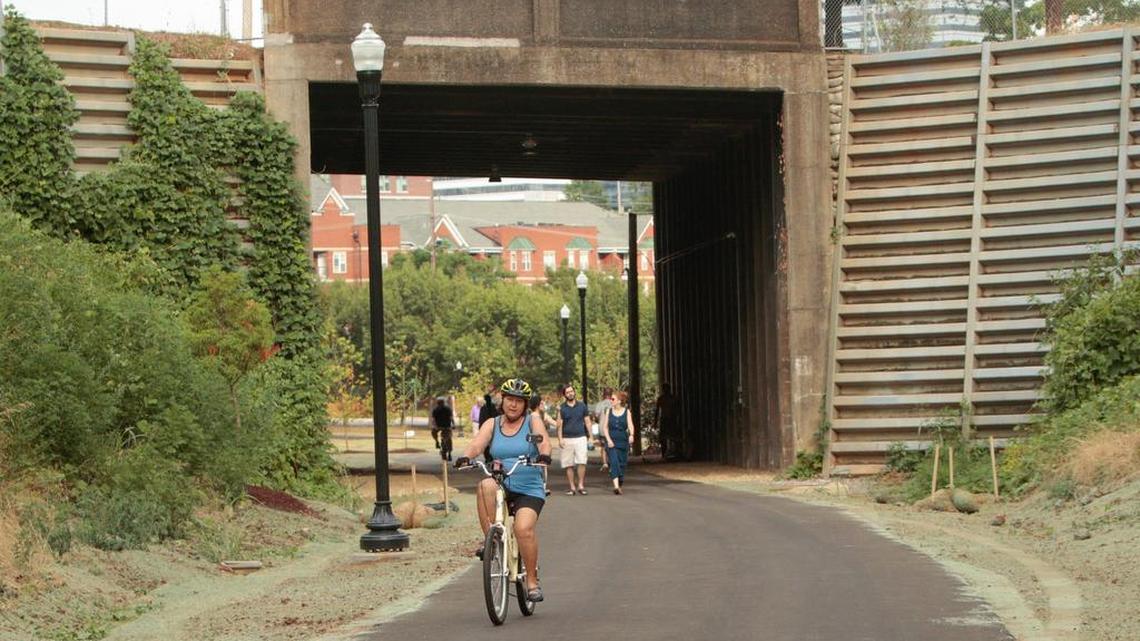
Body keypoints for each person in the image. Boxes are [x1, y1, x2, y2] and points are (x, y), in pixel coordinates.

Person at [455, 378, 552, 602]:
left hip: (529, 486)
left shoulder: (532, 421)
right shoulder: (493, 423)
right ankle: (492, 541)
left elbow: (544, 442)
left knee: (523, 529)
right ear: (503, 400)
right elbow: (477, 444)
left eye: (519, 401)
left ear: (525, 404)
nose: (513, 405)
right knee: (485, 485)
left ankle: (532, 582)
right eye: (509, 399)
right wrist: (466, 456)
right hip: (502, 482)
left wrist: (544, 454)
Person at [557, 384, 592, 495]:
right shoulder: (562, 408)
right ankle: (572, 487)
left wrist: (591, 437)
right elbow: (559, 425)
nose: (570, 394)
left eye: (571, 391)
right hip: (567, 439)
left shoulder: (582, 406)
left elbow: (587, 422)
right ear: (564, 395)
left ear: (574, 392)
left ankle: (581, 485)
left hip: (581, 437)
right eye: (567, 392)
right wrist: (560, 439)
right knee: (568, 464)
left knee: (582, 462)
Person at [602, 390, 636, 494]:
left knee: (621, 464)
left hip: (623, 441)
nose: (611, 401)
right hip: (611, 441)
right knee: (614, 462)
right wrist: (608, 440)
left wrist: (631, 435)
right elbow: (605, 427)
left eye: (613, 399)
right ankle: (616, 487)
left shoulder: (627, 412)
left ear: (619, 401)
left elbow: (630, 425)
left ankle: (620, 480)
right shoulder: (608, 411)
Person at [529, 393, 556, 496]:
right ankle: (539, 487)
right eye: (542, 403)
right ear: (538, 404)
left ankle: (542, 486)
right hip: (537, 446)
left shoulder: (542, 415)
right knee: (539, 465)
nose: (544, 405)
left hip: (543, 444)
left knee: (542, 467)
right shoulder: (533, 417)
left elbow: (556, 423)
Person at [655, 383, 678, 460]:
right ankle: (664, 453)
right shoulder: (663, 399)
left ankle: (672, 452)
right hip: (667, 419)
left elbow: (676, 410)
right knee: (664, 437)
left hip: (669, 419)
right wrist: (655, 421)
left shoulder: (670, 398)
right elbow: (657, 410)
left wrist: (655, 421)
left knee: (672, 436)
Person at [593, 387, 614, 471]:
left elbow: (596, 416)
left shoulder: (599, 404)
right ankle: (612, 464)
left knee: (603, 446)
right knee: (612, 446)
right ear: (611, 394)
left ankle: (605, 463)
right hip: (612, 428)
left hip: (602, 428)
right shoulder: (614, 403)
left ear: (603, 394)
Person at [430, 397, 455, 461]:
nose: (440, 404)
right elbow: (433, 419)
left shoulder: (447, 409)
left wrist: (453, 424)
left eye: (441, 402)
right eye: (439, 402)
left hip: (446, 426)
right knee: (433, 432)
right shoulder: (436, 410)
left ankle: (449, 453)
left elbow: (451, 417)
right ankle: (437, 441)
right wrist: (434, 426)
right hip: (440, 426)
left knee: (448, 438)